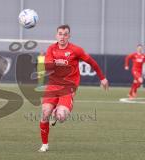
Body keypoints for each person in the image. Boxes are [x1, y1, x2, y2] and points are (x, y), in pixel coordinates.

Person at [38, 24, 109, 152]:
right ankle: (44, 144)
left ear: (69, 36)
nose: (62, 37)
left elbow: (92, 62)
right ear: (56, 35)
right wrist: (54, 63)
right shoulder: (51, 49)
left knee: (61, 117)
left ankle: (57, 113)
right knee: (44, 113)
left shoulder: (76, 50)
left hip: (68, 87)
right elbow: (47, 68)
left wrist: (102, 78)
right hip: (53, 85)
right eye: (60, 34)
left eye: (65, 34)